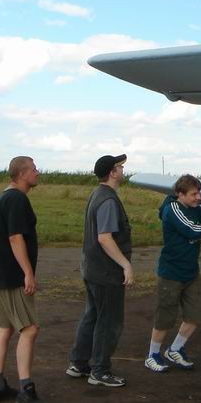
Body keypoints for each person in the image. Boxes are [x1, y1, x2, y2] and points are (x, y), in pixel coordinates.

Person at [144, 174, 201, 372]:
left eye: (199, 193)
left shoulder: (195, 208)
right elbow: (193, 230)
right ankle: (152, 355)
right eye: (194, 194)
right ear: (180, 194)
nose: (198, 198)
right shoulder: (173, 210)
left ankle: (175, 349)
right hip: (171, 273)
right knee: (165, 317)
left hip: (191, 272)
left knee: (194, 316)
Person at [66, 154, 133, 388]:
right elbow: (105, 238)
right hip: (106, 273)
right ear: (112, 173)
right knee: (109, 321)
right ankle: (100, 371)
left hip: (92, 269)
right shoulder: (108, 200)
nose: (123, 170)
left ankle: (79, 363)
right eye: (120, 167)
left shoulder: (97, 194)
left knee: (92, 315)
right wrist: (125, 264)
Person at [0, 156, 44, 403]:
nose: (37, 173)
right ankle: (26, 389)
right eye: (33, 169)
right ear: (21, 174)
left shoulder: (3, 196)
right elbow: (15, 237)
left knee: (5, 328)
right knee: (29, 329)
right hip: (11, 276)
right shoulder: (17, 199)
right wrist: (28, 273)